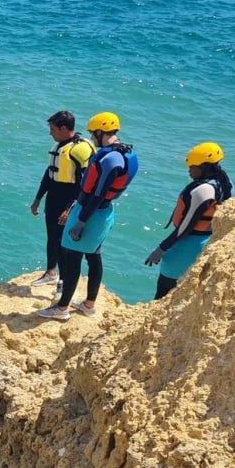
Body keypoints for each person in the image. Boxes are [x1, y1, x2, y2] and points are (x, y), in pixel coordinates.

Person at [37, 112, 139, 321]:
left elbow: (98, 193)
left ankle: (62, 308)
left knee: (71, 257)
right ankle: (88, 304)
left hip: (90, 213)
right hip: (104, 212)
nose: (92, 138)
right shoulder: (126, 154)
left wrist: (81, 221)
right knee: (94, 256)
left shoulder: (111, 159)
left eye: (94, 134)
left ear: (101, 132)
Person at [145, 142, 233, 298]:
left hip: (186, 247)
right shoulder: (225, 183)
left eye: (192, 167)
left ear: (204, 167)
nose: (189, 170)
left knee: (163, 293)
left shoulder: (203, 190)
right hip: (206, 242)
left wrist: (160, 249)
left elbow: (185, 227)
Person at [29, 111, 95, 287]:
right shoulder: (59, 145)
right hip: (54, 197)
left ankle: (64, 283)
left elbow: (86, 185)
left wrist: (70, 209)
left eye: (53, 129)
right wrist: (38, 198)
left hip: (70, 199)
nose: (50, 133)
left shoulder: (80, 149)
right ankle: (51, 272)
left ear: (64, 128)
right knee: (52, 237)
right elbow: (49, 173)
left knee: (63, 244)